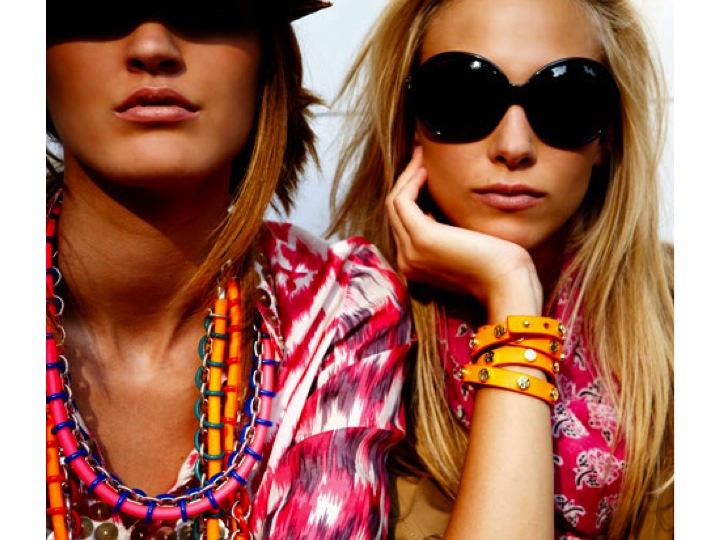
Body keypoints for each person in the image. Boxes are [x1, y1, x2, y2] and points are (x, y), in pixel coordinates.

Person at [45, 2, 413, 539]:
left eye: (209, 5)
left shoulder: (341, 308)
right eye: (100, 8)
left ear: (267, 61)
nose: (152, 49)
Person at [328, 0, 674, 537]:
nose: (514, 147)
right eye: (463, 96)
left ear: (607, 135)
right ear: (411, 123)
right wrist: (511, 286)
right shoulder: (338, 338)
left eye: (567, 99)